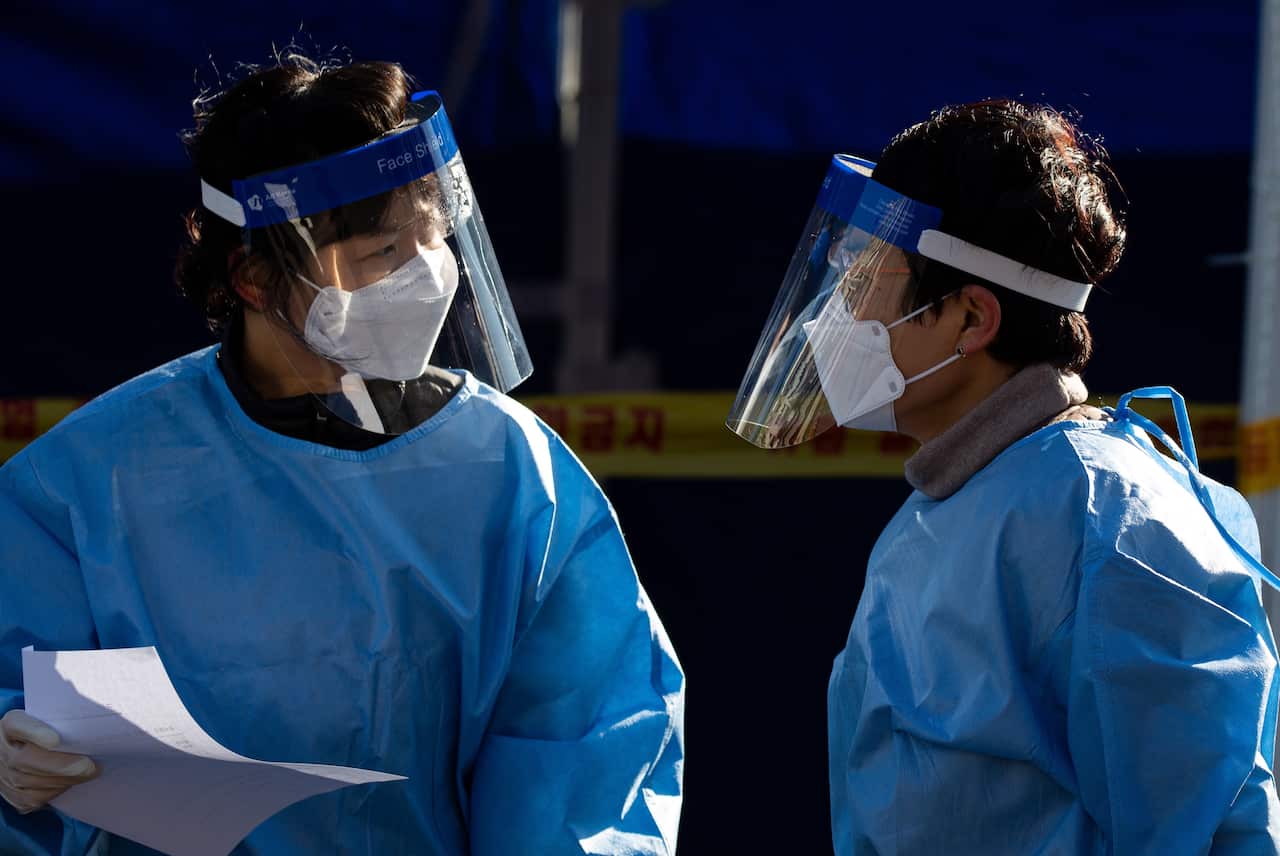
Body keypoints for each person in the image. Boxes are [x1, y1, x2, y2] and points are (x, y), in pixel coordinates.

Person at [0, 51, 684, 855]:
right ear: (254, 278)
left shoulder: (511, 472)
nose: (427, 274)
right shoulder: (84, 485)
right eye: (380, 256)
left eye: (431, 237)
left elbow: (584, 755)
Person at [727, 99, 1280, 853]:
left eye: (866, 282)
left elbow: (1197, 825)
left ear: (972, 318)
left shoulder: (1103, 517)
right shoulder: (958, 504)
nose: (833, 317)